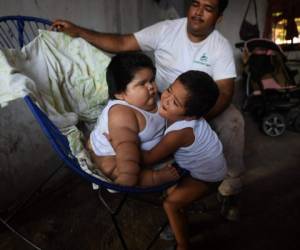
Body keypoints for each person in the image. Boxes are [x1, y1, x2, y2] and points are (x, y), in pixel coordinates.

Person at [52, 0, 245, 220]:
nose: (198, 12)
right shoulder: (167, 29)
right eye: (195, 4)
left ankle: (230, 185)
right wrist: (78, 31)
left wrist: (188, 119)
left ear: (218, 17)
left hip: (198, 104)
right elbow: (125, 42)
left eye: (208, 8)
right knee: (157, 134)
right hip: (163, 97)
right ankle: (176, 190)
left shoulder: (220, 46)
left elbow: (225, 92)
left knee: (233, 121)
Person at [142, 70, 227, 250]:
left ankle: (183, 245)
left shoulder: (181, 132)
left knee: (171, 204)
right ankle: (183, 214)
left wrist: (120, 146)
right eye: (170, 90)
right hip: (202, 165)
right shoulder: (182, 116)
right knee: (172, 192)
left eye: (175, 102)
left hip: (208, 176)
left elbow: (149, 158)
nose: (165, 99)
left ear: (190, 116)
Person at [87, 52, 180, 187]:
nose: (151, 86)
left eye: (152, 79)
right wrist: (128, 175)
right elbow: (125, 146)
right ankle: (154, 177)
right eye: (142, 84)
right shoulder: (121, 114)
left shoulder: (157, 98)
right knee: (110, 169)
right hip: (111, 152)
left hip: (144, 152)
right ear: (120, 94)